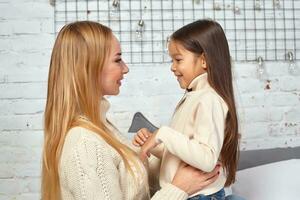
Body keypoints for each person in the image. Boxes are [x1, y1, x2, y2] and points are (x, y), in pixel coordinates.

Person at [41, 21, 221, 200]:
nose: (125, 68)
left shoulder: (99, 127)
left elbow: (130, 188)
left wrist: (158, 154)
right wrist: (178, 188)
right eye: (117, 60)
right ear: (88, 68)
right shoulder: (85, 144)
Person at [133, 19, 239, 200]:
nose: (172, 67)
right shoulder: (194, 96)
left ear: (204, 60)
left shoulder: (209, 99)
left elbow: (206, 159)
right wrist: (155, 146)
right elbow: (189, 154)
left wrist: (162, 134)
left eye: (178, 59)